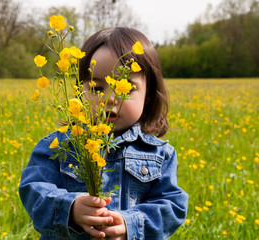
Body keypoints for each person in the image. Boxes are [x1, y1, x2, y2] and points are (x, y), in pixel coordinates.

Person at [19, 27, 188, 240]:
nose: (109, 98)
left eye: (124, 89)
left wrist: (130, 224)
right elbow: (33, 190)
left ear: (148, 96)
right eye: (97, 88)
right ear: (80, 91)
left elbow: (172, 207)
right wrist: (70, 208)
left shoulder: (160, 154)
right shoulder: (58, 144)